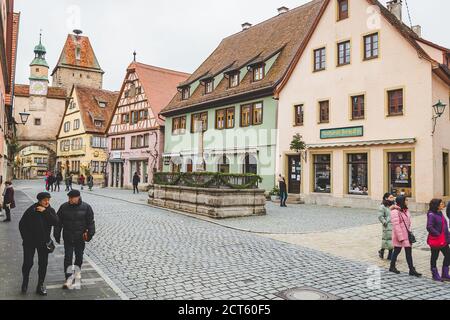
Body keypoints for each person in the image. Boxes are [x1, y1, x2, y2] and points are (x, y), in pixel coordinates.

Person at [54, 190, 95, 289]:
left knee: (79, 257)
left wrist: (89, 234)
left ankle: (77, 272)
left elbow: (91, 222)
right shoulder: (63, 207)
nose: (70, 200)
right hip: (68, 237)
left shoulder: (86, 207)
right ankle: (68, 279)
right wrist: (56, 234)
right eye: (69, 198)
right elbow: (58, 222)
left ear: (78, 197)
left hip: (80, 238)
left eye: (72, 198)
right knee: (68, 258)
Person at [19, 192, 58, 295]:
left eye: (48, 199)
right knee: (28, 263)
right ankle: (25, 281)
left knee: (43, 264)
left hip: (43, 243)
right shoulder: (31, 210)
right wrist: (26, 238)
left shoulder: (50, 210)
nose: (47, 202)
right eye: (45, 200)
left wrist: (45, 211)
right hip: (29, 243)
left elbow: (56, 222)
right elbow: (21, 225)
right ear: (39, 200)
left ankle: (40, 286)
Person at [389, 196, 422, 277]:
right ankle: (392, 266)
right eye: (406, 200)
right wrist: (401, 237)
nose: (407, 201)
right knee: (397, 251)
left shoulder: (405, 210)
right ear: (402, 201)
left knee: (408, 252)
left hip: (406, 234)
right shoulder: (395, 212)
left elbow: (408, 223)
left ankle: (411, 269)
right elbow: (396, 226)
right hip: (400, 235)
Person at [427, 199, 450, 282]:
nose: (442, 205)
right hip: (436, 240)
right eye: (441, 204)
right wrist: (438, 235)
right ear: (436, 205)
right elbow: (429, 227)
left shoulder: (440, 213)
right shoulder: (431, 214)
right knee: (434, 257)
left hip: (444, 240)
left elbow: (444, 225)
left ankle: (445, 274)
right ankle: (435, 274)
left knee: (448, 255)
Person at [378, 193, 395, 260]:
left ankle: (389, 255)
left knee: (391, 239)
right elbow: (380, 216)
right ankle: (382, 251)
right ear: (386, 198)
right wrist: (385, 222)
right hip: (387, 225)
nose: (392, 198)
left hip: (393, 225)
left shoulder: (393, 205)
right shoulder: (382, 206)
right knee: (386, 239)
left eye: (393, 197)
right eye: (391, 197)